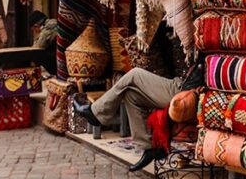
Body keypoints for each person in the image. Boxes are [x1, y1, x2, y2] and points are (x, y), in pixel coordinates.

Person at [72, 55, 205, 171]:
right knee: (131, 95)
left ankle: (95, 113)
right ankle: (150, 148)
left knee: (134, 74)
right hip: (184, 86)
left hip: (185, 93)